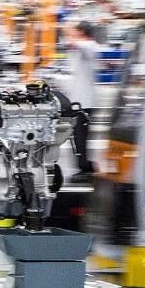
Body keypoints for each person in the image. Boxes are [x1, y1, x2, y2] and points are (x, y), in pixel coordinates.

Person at [62, 21, 99, 179]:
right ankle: (85, 165)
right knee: (78, 136)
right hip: (78, 100)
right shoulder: (83, 47)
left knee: (80, 136)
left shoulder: (90, 46)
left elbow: (74, 44)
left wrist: (68, 30)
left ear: (82, 32)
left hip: (84, 102)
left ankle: (84, 168)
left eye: (76, 31)